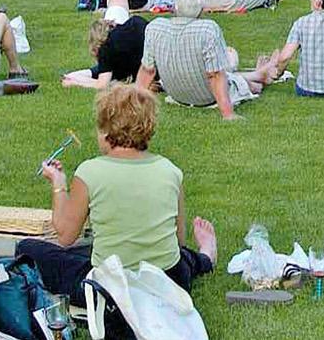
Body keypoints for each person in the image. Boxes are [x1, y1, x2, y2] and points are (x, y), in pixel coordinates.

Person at [19, 84, 219, 297]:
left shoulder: (89, 172)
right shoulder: (170, 171)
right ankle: (205, 257)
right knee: (182, 256)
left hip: (112, 289)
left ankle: (205, 256)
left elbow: (65, 235)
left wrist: (58, 184)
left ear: (106, 131)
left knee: (29, 249)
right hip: (170, 280)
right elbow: (177, 241)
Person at [137, 0, 275, 121]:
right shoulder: (207, 29)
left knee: (226, 72)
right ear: (202, 10)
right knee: (247, 84)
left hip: (176, 93)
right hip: (206, 97)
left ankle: (258, 74)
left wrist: (135, 104)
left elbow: (147, 70)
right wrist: (228, 114)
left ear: (175, 7)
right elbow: (215, 75)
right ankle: (259, 76)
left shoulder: (155, 28)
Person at [62, 2, 147, 90]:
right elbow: (98, 71)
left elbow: (102, 85)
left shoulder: (106, 47)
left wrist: (75, 82)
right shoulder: (134, 23)